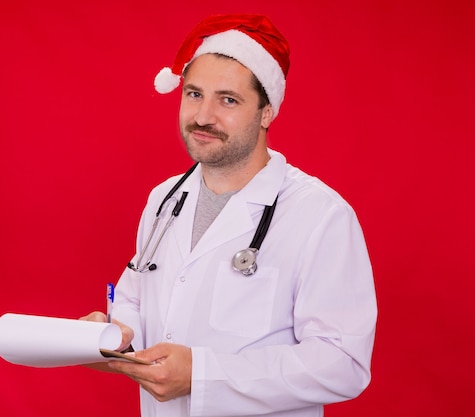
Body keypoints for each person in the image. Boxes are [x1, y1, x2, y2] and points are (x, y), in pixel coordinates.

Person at [81, 14, 377, 417]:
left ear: (267, 112)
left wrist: (203, 375)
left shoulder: (320, 216)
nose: (203, 117)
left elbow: (343, 365)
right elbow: (136, 295)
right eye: (193, 94)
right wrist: (117, 335)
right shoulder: (164, 200)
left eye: (228, 99)